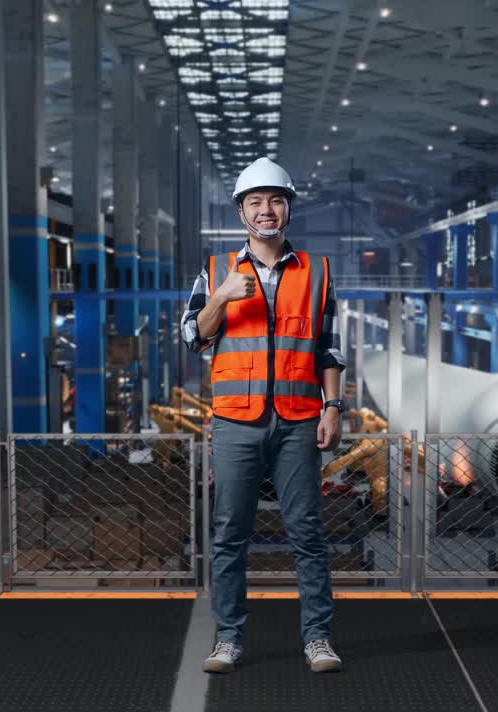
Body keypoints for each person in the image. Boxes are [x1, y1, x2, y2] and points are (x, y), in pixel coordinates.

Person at [181, 157, 347, 674]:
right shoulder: (215, 273)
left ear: (288, 207)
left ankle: (317, 639)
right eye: (256, 201)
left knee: (307, 532)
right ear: (241, 212)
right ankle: (227, 639)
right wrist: (224, 296)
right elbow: (192, 336)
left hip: (299, 419)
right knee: (230, 534)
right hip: (236, 421)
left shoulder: (316, 272)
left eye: (275, 200)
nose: (266, 210)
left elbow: (329, 349)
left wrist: (333, 407)